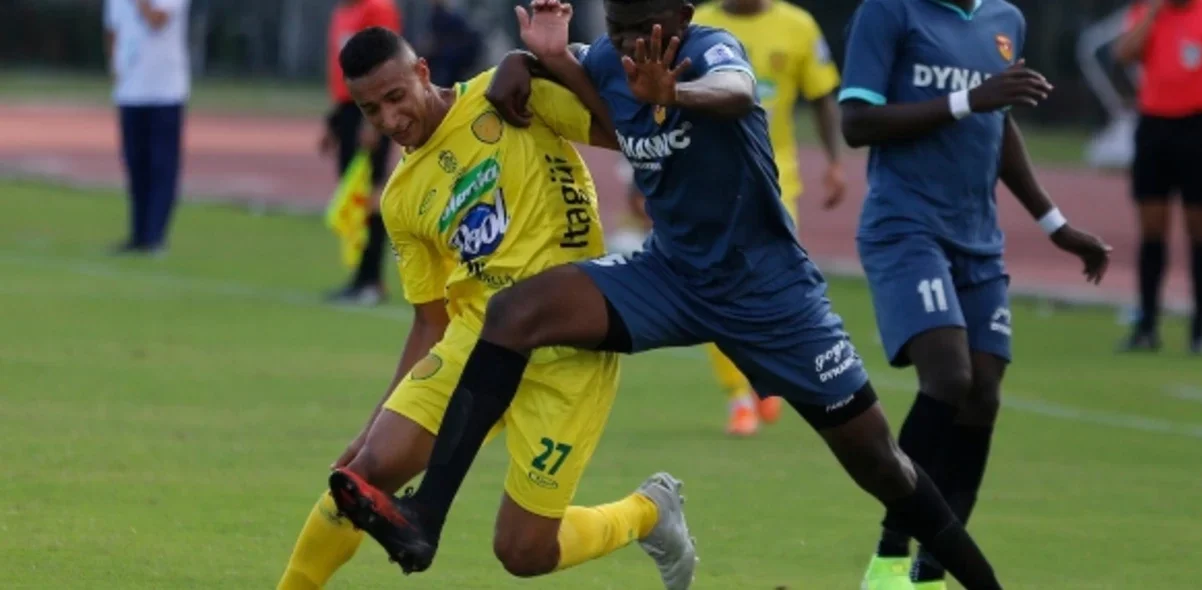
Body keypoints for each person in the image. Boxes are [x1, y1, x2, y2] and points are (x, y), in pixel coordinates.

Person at [331, 2, 1007, 589]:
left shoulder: (710, 50)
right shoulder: (608, 59)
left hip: (769, 296)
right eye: (617, 24)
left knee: (881, 465)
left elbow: (738, 92)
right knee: (512, 314)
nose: (628, 40)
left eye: (642, 24)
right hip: (672, 276)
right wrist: (521, 58)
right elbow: (556, 65)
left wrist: (672, 95)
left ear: (681, 15)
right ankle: (426, 516)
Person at [277, 26, 695, 589]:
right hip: (474, 341)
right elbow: (430, 319)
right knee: (362, 477)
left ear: (423, 72)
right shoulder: (401, 198)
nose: (390, 119)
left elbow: (625, 134)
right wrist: (375, 420)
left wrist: (543, 59)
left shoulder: (505, 95)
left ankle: (649, 512)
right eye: (370, 109)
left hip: (568, 349)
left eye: (396, 97)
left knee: (523, 552)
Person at [838, 0, 1112, 588]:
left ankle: (930, 573)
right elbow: (856, 123)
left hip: (977, 240)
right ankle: (890, 553)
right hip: (905, 227)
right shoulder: (889, 12)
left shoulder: (1005, 20)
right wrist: (969, 99)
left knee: (983, 394)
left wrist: (1055, 224)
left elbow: (998, 123)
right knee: (949, 378)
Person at [691, 0, 847, 436]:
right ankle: (738, 396)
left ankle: (766, 375)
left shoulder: (797, 26)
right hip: (706, 178)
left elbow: (821, 96)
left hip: (776, 180)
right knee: (708, 286)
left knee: (772, 285)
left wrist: (835, 162)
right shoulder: (696, 22)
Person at [1112, 0, 1202, 355]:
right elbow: (1124, 55)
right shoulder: (1146, 10)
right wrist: (1154, 14)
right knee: (1152, 229)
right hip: (1154, 126)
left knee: (1200, 227)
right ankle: (1146, 326)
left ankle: (1200, 329)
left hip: (1200, 128)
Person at [321, 0, 402, 305]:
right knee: (355, 196)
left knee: (372, 197)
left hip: (370, 111)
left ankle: (372, 279)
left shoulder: (378, 9)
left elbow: (387, 68)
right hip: (348, 112)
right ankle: (359, 276)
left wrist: (374, 121)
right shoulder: (342, 11)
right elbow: (344, 76)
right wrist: (334, 120)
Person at [103, 0, 191, 256]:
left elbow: (157, 20)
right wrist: (114, 67)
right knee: (135, 163)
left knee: (161, 164)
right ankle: (138, 234)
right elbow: (111, 30)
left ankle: (155, 236)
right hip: (130, 90)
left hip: (165, 91)